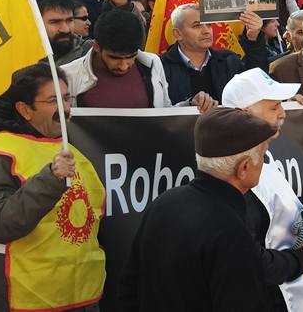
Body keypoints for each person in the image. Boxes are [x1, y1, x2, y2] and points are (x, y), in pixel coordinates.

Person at [0, 63, 105, 312]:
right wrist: (51, 179)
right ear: (25, 110)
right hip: (25, 299)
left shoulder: (75, 152)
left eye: (66, 98)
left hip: (83, 296)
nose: (64, 108)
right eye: (53, 100)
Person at [119, 108, 280, 310]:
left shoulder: (163, 203)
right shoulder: (230, 231)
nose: (264, 163)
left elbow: (128, 289)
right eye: (263, 156)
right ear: (244, 168)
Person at [220, 70, 303, 312]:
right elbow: (249, 263)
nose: (283, 113)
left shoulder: (264, 157)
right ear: (246, 114)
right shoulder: (237, 178)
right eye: (274, 107)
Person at [160, 3, 270, 109]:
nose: (206, 31)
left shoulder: (228, 61)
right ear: (178, 34)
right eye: (197, 26)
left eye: (208, 25)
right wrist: (188, 105)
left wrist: (253, 39)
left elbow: (256, 84)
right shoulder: (161, 67)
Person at [62, 9, 172, 108]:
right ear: (96, 46)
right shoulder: (67, 76)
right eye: (114, 58)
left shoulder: (153, 63)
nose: (123, 66)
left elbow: (166, 110)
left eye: (131, 57)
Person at [33, 0, 93, 64]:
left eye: (69, 20)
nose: (65, 29)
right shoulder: (21, 55)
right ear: (36, 22)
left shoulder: (90, 55)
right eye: (55, 22)